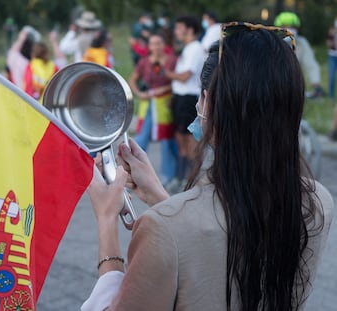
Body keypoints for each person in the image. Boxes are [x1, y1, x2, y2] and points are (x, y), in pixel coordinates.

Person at [81, 22, 334, 311]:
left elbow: (194, 239)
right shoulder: (318, 203)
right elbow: (221, 241)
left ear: (207, 104)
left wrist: (106, 222)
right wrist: (160, 199)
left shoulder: (163, 230)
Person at [128, 33, 178, 189]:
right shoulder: (144, 62)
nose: (156, 47)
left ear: (164, 45)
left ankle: (168, 177)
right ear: (148, 47)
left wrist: (165, 89)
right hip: (148, 105)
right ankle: (134, 174)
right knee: (140, 139)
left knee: (166, 140)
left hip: (165, 105)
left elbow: (179, 82)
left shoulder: (172, 61)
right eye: (152, 44)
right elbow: (133, 79)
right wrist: (138, 93)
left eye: (158, 43)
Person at [164, 16, 205, 189]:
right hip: (180, 99)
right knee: (180, 141)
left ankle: (193, 180)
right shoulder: (187, 48)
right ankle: (181, 179)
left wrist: (166, 73)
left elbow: (185, 76)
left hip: (188, 99)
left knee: (190, 144)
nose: (176, 31)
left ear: (189, 30)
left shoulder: (196, 48)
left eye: (179, 27)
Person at [274, 11, 326, 99]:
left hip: (294, 85)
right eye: (285, 27)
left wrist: (316, 84)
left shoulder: (302, 43)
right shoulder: (272, 43)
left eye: (291, 27)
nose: (289, 29)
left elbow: (311, 64)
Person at [23, 32, 66, 101]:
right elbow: (61, 60)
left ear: (33, 53)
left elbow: (27, 85)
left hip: (32, 104)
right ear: (46, 53)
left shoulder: (30, 66)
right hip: (48, 105)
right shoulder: (53, 67)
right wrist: (54, 41)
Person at [327, 17, 337, 99]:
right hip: (332, 56)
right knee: (332, 77)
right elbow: (329, 44)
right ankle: (331, 96)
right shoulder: (332, 30)